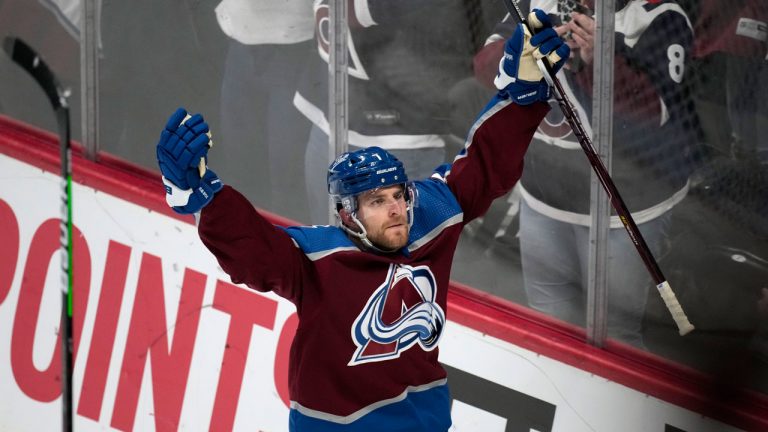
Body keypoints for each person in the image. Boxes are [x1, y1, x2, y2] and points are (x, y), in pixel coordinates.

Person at [155, 10, 568, 431]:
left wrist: (521, 97)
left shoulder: (428, 218)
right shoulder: (318, 259)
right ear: (347, 215)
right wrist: (199, 194)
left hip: (422, 419)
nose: (394, 208)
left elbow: (481, 166)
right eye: (376, 202)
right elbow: (255, 249)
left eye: (397, 195)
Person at [473, 0, 700, 348]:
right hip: (544, 196)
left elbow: (653, 122)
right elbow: (485, 70)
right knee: (548, 324)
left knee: (616, 337)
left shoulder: (661, 17)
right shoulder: (539, 3)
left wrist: (603, 63)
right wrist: (522, 46)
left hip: (625, 209)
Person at [294, 0, 487, 225]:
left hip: (399, 139)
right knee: (330, 248)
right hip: (331, 118)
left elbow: (352, 11)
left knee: (391, 254)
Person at [215, 0, 315, 222]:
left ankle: (285, 249)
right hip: (238, 41)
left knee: (287, 173)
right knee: (240, 163)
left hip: (297, 46)